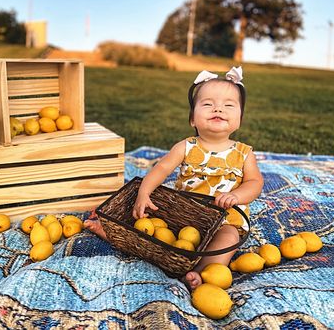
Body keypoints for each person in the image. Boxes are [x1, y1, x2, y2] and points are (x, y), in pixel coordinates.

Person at [85, 67, 264, 291]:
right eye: (208, 104)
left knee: (228, 240)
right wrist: (144, 192)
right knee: (150, 227)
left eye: (229, 105)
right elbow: (161, 169)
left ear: (239, 120)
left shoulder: (244, 153)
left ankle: (201, 274)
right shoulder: (186, 146)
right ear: (192, 119)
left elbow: (255, 183)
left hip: (225, 218)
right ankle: (114, 234)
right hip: (184, 215)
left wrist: (236, 196)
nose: (218, 108)